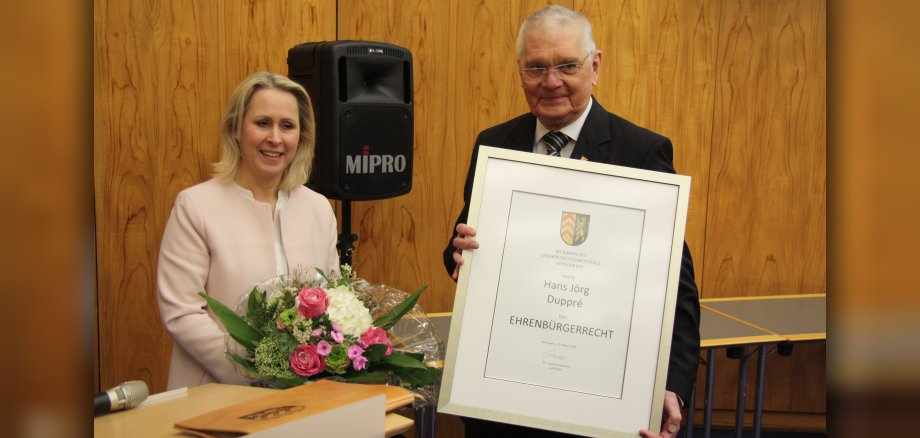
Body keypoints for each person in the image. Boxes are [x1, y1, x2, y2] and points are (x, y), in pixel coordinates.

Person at [442, 6, 700, 438]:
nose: (551, 81)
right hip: (504, 395)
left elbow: (678, 285)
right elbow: (462, 251)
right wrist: (457, 252)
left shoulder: (641, 151)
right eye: (536, 67)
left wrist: (670, 384)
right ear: (520, 71)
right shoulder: (494, 144)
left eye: (567, 65)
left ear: (595, 66)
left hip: (596, 400)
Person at [157, 72, 339, 390]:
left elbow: (334, 300)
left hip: (307, 397)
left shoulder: (319, 208)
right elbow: (182, 312)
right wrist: (254, 371)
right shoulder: (196, 205)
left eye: (287, 126)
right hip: (217, 394)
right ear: (236, 129)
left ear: (302, 136)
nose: (275, 138)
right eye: (262, 123)